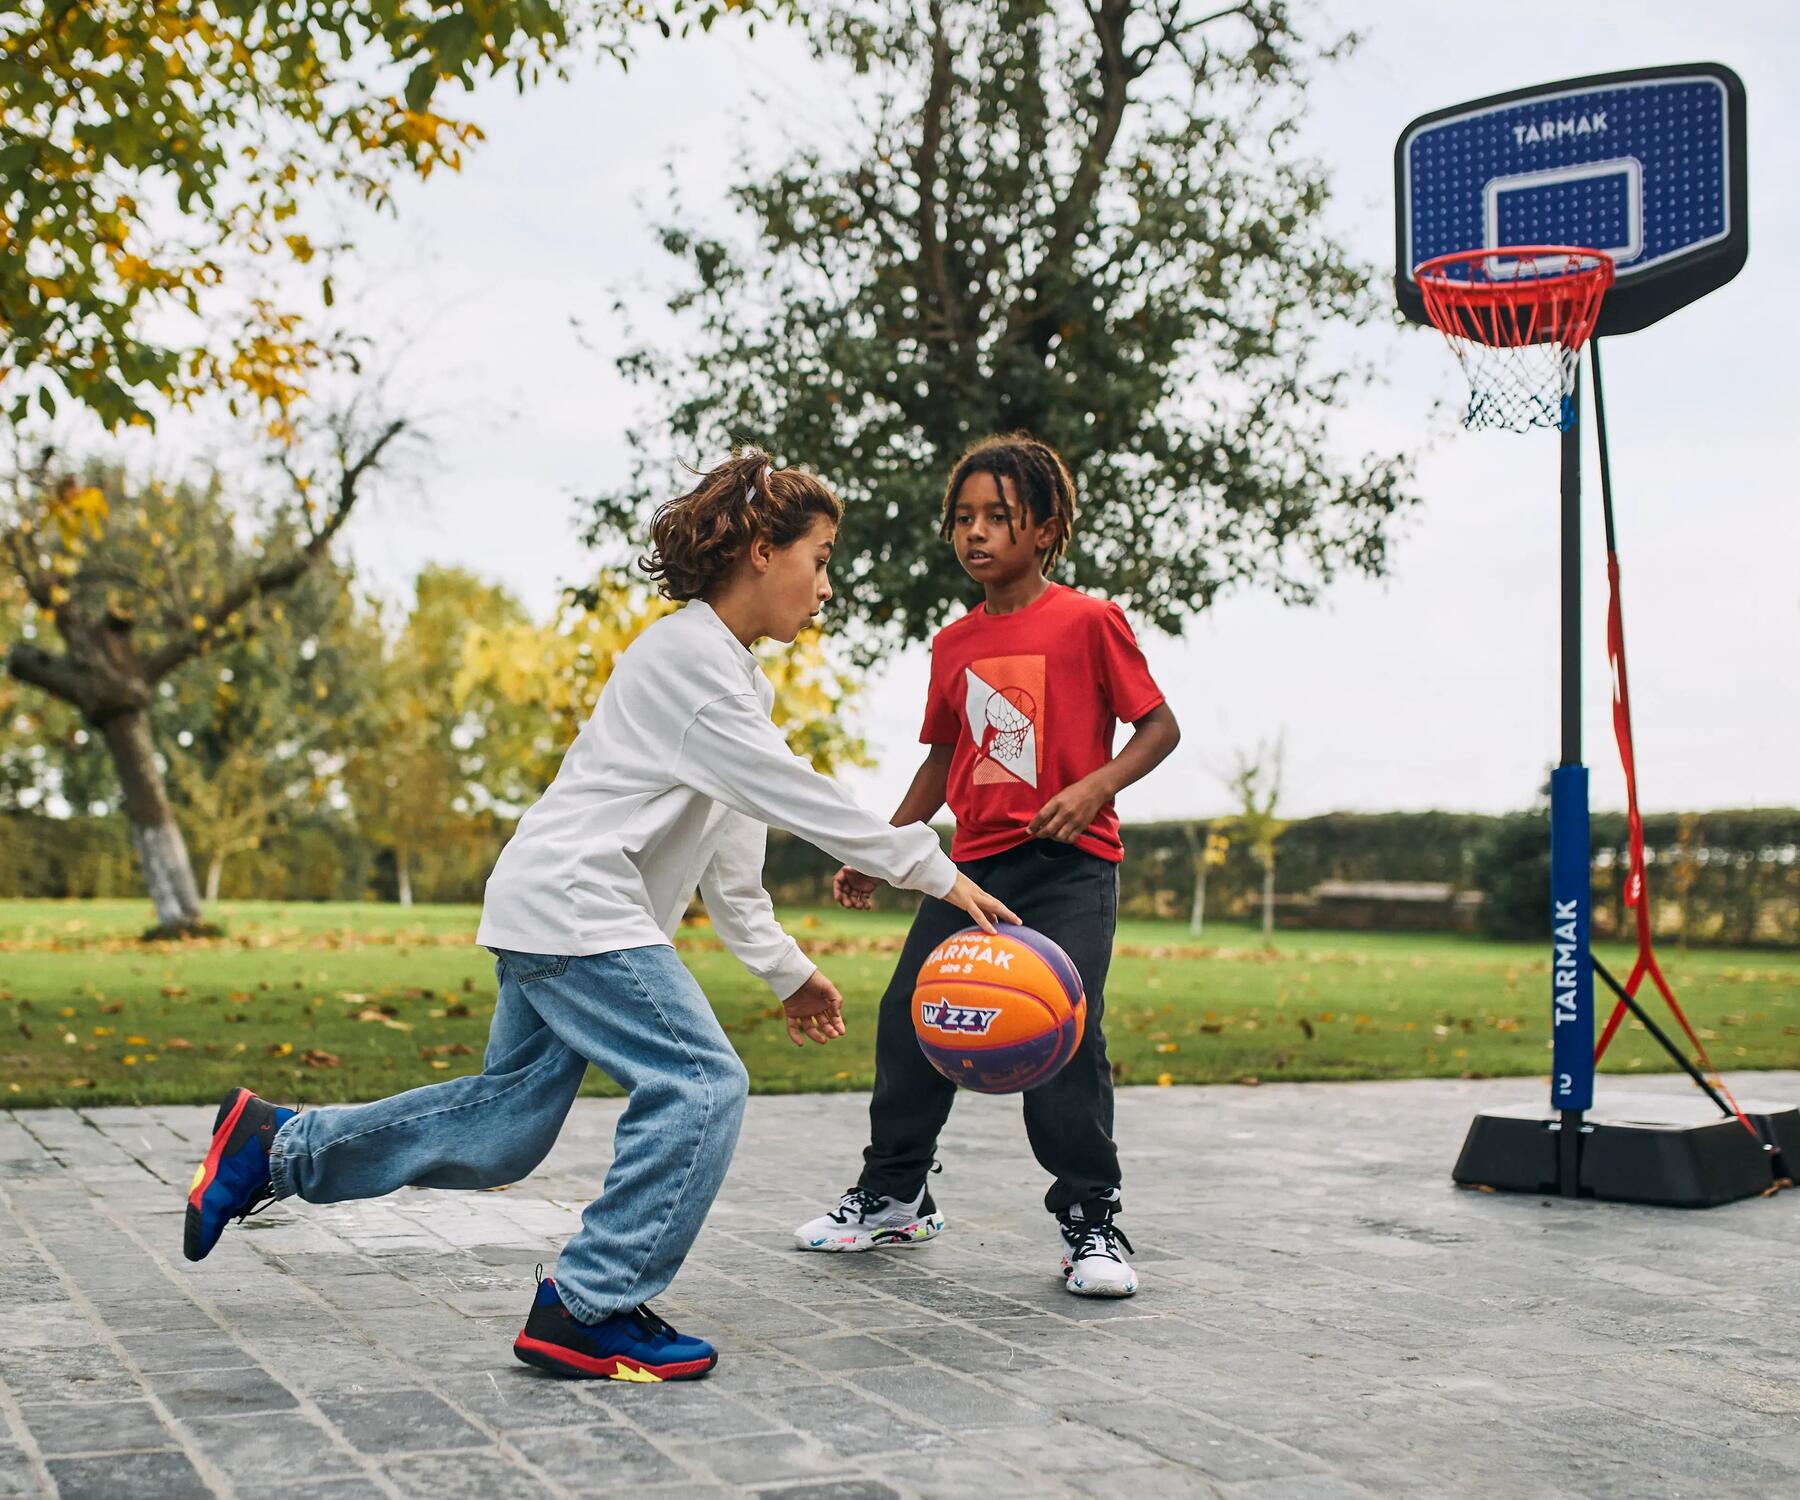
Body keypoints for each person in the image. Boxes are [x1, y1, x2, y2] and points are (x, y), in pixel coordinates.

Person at [182, 451, 1015, 1381]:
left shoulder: (739, 681)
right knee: (700, 1086)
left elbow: (732, 862)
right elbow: (797, 795)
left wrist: (786, 969)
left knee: (504, 1129)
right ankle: (589, 1306)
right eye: (819, 559)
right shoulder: (688, 658)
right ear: (756, 551)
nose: (827, 586)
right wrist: (931, 871)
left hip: (558, 909)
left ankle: (273, 1146)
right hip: (579, 906)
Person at [794, 434, 1179, 1297]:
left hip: (1070, 867)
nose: (975, 533)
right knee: (908, 1020)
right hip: (975, 871)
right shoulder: (953, 642)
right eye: (962, 518)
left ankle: (1092, 1222)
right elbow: (942, 762)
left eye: (997, 517)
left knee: (1064, 1036)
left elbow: (1159, 728)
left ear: (1044, 528)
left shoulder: (1090, 621)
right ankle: (896, 1194)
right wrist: (882, 848)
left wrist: (1094, 787)